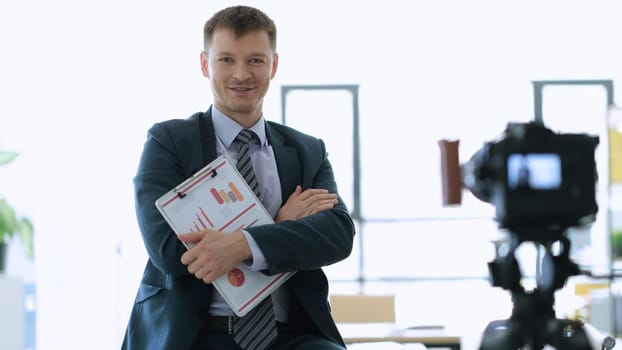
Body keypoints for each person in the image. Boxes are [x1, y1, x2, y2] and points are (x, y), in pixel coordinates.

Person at [121, 5, 355, 350]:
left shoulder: (307, 150)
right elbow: (169, 251)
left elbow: (337, 234)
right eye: (227, 59)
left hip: (289, 336)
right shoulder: (168, 141)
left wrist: (242, 244)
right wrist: (278, 226)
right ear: (205, 64)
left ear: (273, 65)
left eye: (256, 60)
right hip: (194, 334)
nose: (241, 74)